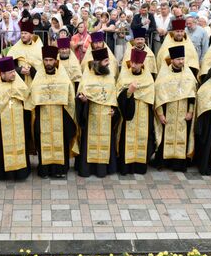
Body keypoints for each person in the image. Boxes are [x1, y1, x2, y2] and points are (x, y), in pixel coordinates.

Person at [25, 46, 78, 178]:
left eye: (51, 60)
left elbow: (70, 97)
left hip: (61, 116)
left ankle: (60, 170)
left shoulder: (63, 76)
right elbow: (31, 96)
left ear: (55, 60)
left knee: (62, 140)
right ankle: (44, 170)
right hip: (43, 117)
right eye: (46, 60)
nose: (48, 63)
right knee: (43, 142)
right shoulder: (38, 77)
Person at [0, 56, 32, 181]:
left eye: (14, 71)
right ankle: (1, 173)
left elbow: (27, 99)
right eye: (10, 73)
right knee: (0, 149)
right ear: (2, 74)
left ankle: (21, 172)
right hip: (0, 127)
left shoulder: (19, 84)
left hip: (18, 125)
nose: (14, 74)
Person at [75, 48, 119, 177]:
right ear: (98, 62)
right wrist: (83, 100)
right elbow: (80, 94)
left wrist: (114, 110)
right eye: (105, 61)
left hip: (106, 117)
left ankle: (103, 169)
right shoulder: (87, 77)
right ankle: (87, 169)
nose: (108, 63)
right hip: (90, 116)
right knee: (89, 142)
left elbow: (114, 97)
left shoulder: (110, 76)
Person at [152, 46, 197, 172]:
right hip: (168, 113)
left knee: (182, 137)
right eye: (178, 59)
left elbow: (193, 95)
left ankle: (179, 164)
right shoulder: (163, 75)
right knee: (166, 136)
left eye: (182, 58)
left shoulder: (188, 74)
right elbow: (158, 95)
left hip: (183, 113)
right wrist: (160, 114)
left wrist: (190, 111)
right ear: (171, 60)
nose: (181, 61)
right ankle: (163, 162)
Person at [116, 49, 155, 175]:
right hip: (127, 114)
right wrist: (129, 92)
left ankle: (139, 166)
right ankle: (126, 167)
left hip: (143, 112)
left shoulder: (148, 78)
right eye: (132, 62)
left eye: (136, 63)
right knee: (126, 139)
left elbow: (151, 97)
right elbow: (119, 95)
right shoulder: (124, 75)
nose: (133, 65)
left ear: (142, 63)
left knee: (143, 138)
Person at [6, 19, 43, 87]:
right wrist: (19, 70)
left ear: (31, 35)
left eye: (25, 33)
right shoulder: (16, 47)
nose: (23, 35)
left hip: (35, 81)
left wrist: (31, 71)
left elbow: (41, 66)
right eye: (22, 33)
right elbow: (9, 65)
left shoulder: (38, 47)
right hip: (20, 81)